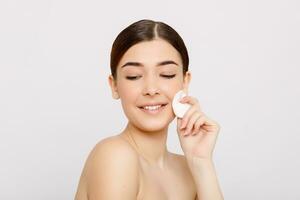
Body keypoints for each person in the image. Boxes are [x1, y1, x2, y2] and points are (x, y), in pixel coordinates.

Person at [74, 19, 224, 200]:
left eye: (166, 74)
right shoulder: (115, 156)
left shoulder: (188, 169)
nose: (151, 89)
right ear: (114, 86)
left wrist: (201, 162)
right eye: (134, 76)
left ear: (185, 82)